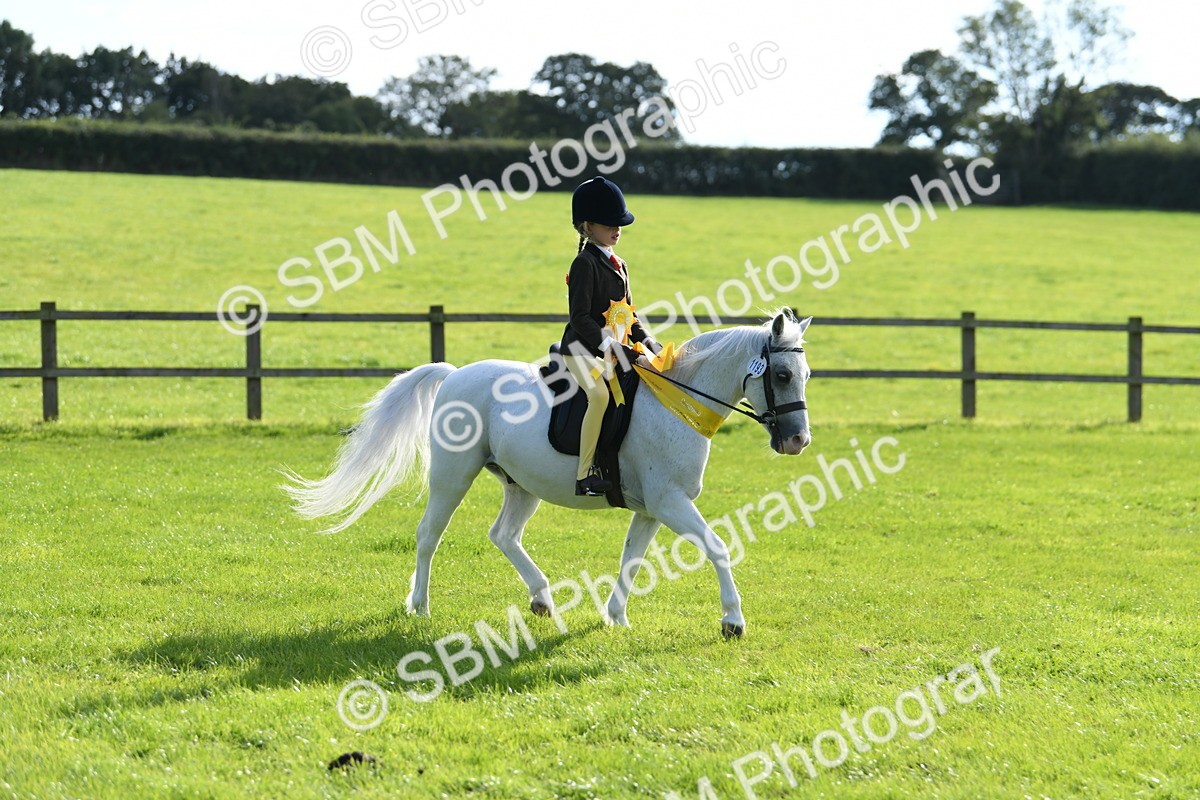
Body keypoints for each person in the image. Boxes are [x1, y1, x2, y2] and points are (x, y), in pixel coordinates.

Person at [561, 176, 662, 497]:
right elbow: (579, 319)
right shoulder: (584, 264)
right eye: (609, 224)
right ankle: (584, 473)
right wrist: (616, 349)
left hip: (613, 351)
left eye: (620, 224)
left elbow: (629, 316)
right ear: (588, 227)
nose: (617, 229)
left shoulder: (620, 265)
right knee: (600, 396)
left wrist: (651, 343)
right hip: (580, 351)